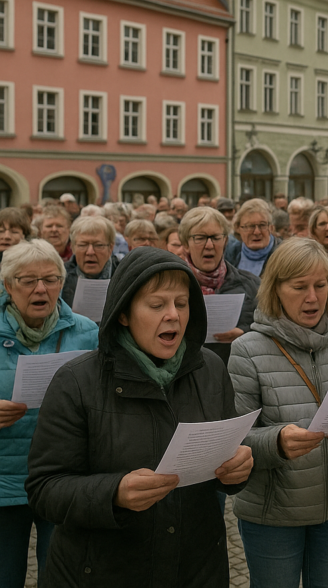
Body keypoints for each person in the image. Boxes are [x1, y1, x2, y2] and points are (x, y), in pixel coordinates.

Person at [25, 248, 252, 587]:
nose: (173, 315)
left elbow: (225, 452)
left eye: (182, 302)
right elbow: (45, 489)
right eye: (157, 305)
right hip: (103, 572)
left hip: (196, 569)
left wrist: (238, 468)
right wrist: (113, 493)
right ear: (123, 314)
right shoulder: (76, 381)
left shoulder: (210, 368)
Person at [229, 238, 328, 588]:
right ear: (275, 289)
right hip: (273, 513)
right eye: (299, 287)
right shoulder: (247, 350)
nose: (312, 297)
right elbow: (234, 443)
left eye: (321, 285)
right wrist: (277, 442)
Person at [0, 241, 98, 588]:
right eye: (28, 280)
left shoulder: (87, 332)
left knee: (60, 575)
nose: (41, 289)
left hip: (64, 476)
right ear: (8, 286)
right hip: (4, 480)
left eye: (51, 279)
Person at [179, 207, 259, 364]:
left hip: (234, 373)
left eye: (215, 237)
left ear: (225, 241)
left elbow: (270, 328)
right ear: (186, 244)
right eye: (200, 238)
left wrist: (246, 332)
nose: (209, 245)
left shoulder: (252, 285)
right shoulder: (173, 286)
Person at [61, 216, 119, 307]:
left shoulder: (124, 276)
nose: (90, 252)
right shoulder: (60, 278)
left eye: (98, 245)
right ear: (73, 247)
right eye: (83, 245)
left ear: (110, 248)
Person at [225, 199, 280, 277]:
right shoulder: (229, 253)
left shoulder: (284, 255)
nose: (257, 232)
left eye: (262, 225)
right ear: (238, 228)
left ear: (271, 228)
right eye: (250, 226)